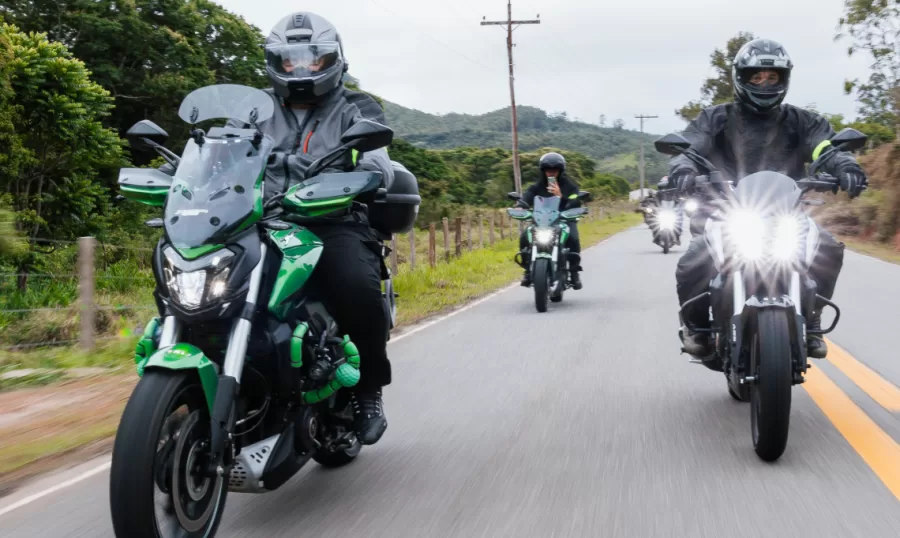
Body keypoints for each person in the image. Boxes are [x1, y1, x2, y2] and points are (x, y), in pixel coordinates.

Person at [239, 11, 394, 444]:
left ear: (334, 60)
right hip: (257, 221)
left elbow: (376, 158)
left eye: (313, 58)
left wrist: (368, 173)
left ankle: (367, 387)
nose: (301, 69)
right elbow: (221, 149)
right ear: (275, 63)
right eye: (289, 60)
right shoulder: (254, 109)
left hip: (331, 220)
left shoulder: (357, 107)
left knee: (356, 287)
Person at [669, 38, 868, 359]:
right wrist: (682, 168)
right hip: (724, 211)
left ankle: (812, 319)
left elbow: (825, 148)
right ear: (741, 78)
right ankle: (696, 327)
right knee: (695, 258)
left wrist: (846, 166)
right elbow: (691, 148)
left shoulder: (803, 121)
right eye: (756, 77)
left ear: (784, 79)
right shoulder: (715, 118)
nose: (764, 83)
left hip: (784, 212)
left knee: (828, 247)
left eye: (772, 77)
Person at [516, 152, 583, 289]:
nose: (551, 173)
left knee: (573, 238)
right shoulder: (537, 186)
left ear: (560, 171)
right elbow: (527, 197)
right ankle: (528, 271)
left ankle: (574, 272)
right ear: (543, 171)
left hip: (564, 219)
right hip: (542, 221)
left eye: (554, 170)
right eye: (548, 170)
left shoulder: (570, 187)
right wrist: (520, 206)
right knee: (524, 237)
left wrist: (560, 196)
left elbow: (575, 202)